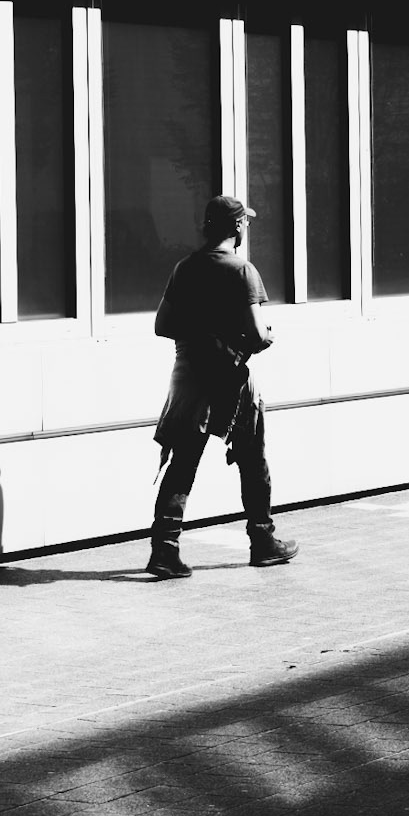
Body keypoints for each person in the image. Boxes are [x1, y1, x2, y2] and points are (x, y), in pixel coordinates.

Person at [147, 195, 298, 580]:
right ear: (235, 227)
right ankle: (263, 542)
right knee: (251, 460)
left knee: (181, 464)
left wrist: (200, 334)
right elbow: (258, 333)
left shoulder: (185, 268)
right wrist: (259, 337)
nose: (245, 228)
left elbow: (162, 325)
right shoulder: (242, 271)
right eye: (243, 223)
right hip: (230, 380)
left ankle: (165, 552)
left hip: (189, 378)